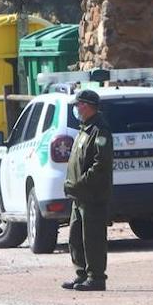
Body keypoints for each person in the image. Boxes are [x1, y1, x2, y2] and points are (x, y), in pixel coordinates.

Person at [63, 88, 113, 292]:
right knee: (76, 236)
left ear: (87, 106)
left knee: (92, 237)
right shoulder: (84, 130)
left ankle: (96, 277)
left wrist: (80, 183)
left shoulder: (100, 132)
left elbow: (101, 165)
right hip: (79, 195)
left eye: (78, 105)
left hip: (93, 195)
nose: (76, 109)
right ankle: (81, 273)